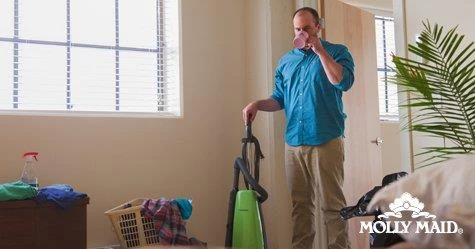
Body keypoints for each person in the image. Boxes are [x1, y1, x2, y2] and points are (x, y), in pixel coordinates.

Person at [242, 7, 355, 249]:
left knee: (333, 206)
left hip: (326, 139)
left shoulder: (337, 52)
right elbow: (279, 99)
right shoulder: (286, 61)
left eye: (306, 28)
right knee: (300, 208)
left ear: (318, 27)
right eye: (297, 29)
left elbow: (342, 82)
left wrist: (320, 50)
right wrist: (257, 105)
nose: (301, 33)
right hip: (294, 143)